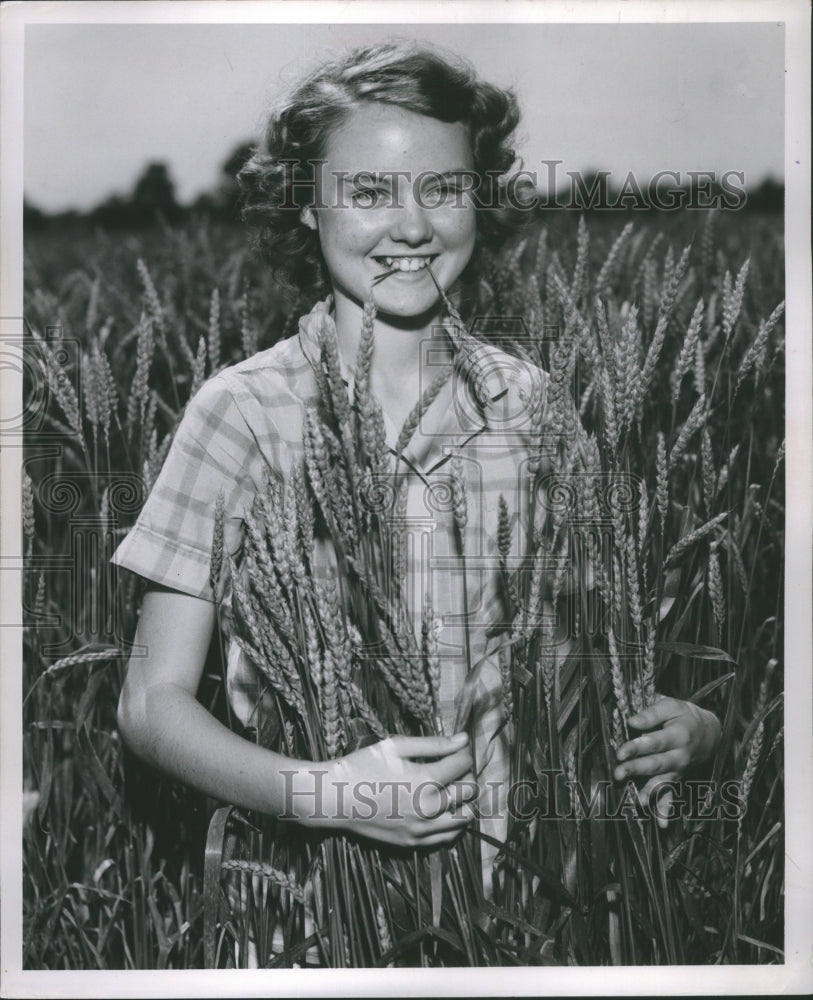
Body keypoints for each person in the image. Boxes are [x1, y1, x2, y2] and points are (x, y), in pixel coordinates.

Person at [113, 40, 721, 944]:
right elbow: (149, 705)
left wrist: (692, 729)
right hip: (313, 912)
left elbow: (599, 658)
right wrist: (330, 795)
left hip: (525, 909)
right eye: (367, 193)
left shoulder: (537, 408)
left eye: (442, 189)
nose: (411, 226)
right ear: (305, 209)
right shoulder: (239, 414)